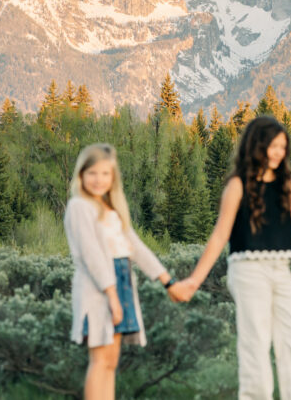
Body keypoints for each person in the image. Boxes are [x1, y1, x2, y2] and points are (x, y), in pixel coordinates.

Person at [170, 115, 291, 399]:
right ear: (257, 145)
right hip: (248, 270)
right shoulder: (238, 185)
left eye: (283, 147)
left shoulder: (285, 186)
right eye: (273, 145)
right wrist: (193, 281)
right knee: (256, 345)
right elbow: (219, 236)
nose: (279, 152)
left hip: (281, 270)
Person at [64, 143, 179, 400]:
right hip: (99, 288)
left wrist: (167, 281)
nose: (98, 179)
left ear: (113, 177)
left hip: (122, 281)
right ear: (81, 174)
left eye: (105, 173)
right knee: (100, 359)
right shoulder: (79, 207)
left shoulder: (112, 209)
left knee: (111, 362)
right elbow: (91, 255)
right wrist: (112, 295)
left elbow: (135, 247)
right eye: (92, 173)